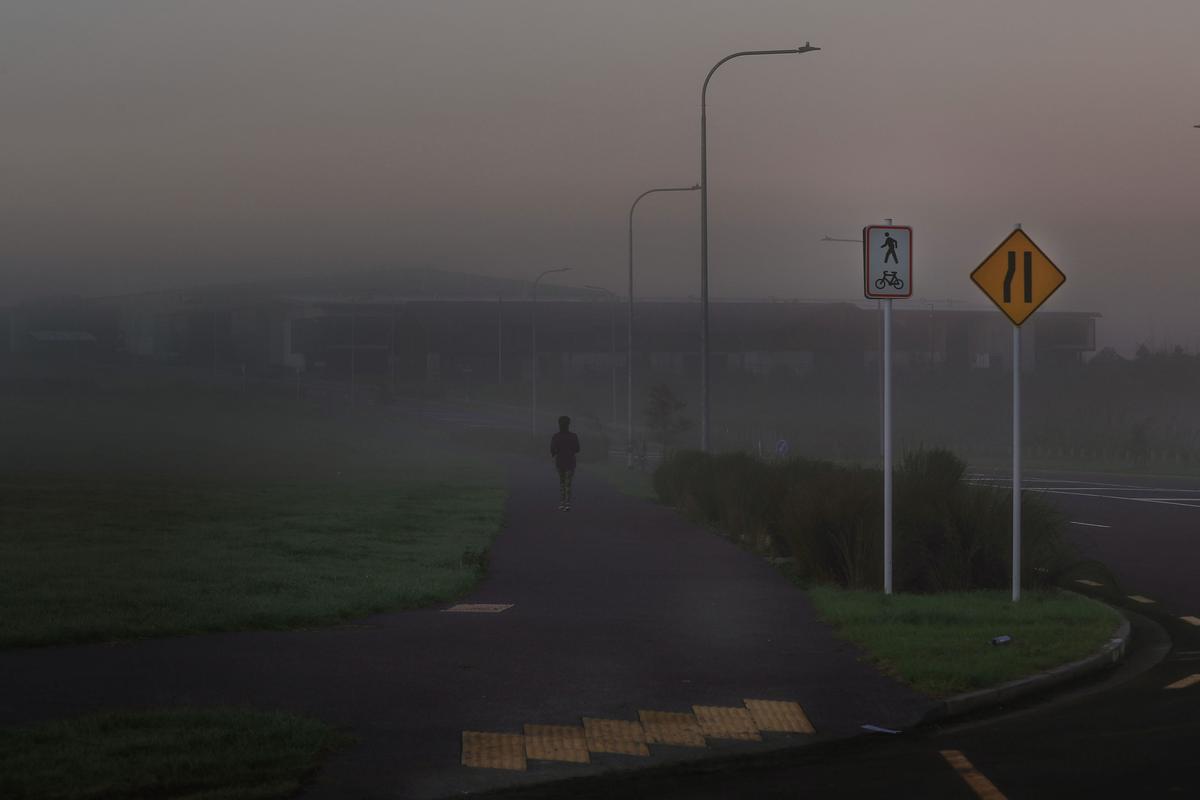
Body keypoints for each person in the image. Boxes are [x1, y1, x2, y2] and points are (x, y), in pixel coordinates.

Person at [550, 415, 581, 511]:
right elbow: (577, 449)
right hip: (570, 462)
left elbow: (552, 451)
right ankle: (567, 503)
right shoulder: (573, 436)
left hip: (560, 462)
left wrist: (557, 451)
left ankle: (562, 502)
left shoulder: (556, 436)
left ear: (559, 424)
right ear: (569, 424)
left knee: (562, 483)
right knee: (568, 483)